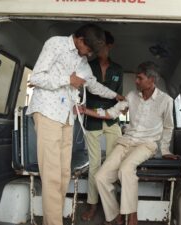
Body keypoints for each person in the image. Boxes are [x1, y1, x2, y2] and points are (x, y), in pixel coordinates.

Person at [26, 24, 124, 225]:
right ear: (79, 39)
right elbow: (36, 77)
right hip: (47, 112)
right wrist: (67, 79)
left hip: (66, 116)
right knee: (52, 175)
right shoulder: (55, 44)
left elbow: (94, 85)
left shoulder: (82, 61)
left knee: (63, 174)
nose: (89, 55)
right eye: (88, 49)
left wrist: (116, 95)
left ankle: (50, 221)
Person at [82, 61, 178, 225]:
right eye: (136, 78)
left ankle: (132, 216)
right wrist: (86, 111)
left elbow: (168, 127)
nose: (136, 81)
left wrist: (165, 150)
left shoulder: (166, 101)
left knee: (126, 169)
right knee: (100, 177)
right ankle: (114, 216)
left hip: (146, 144)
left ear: (151, 80)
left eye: (139, 78)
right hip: (126, 141)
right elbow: (111, 113)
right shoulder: (132, 96)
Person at [81, 31, 124, 221]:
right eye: (97, 45)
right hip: (92, 120)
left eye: (103, 45)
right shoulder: (87, 66)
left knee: (113, 163)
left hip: (112, 120)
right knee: (94, 165)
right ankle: (92, 204)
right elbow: (84, 91)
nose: (99, 48)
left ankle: (111, 205)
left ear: (110, 46)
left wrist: (120, 108)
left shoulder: (118, 69)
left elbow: (119, 96)